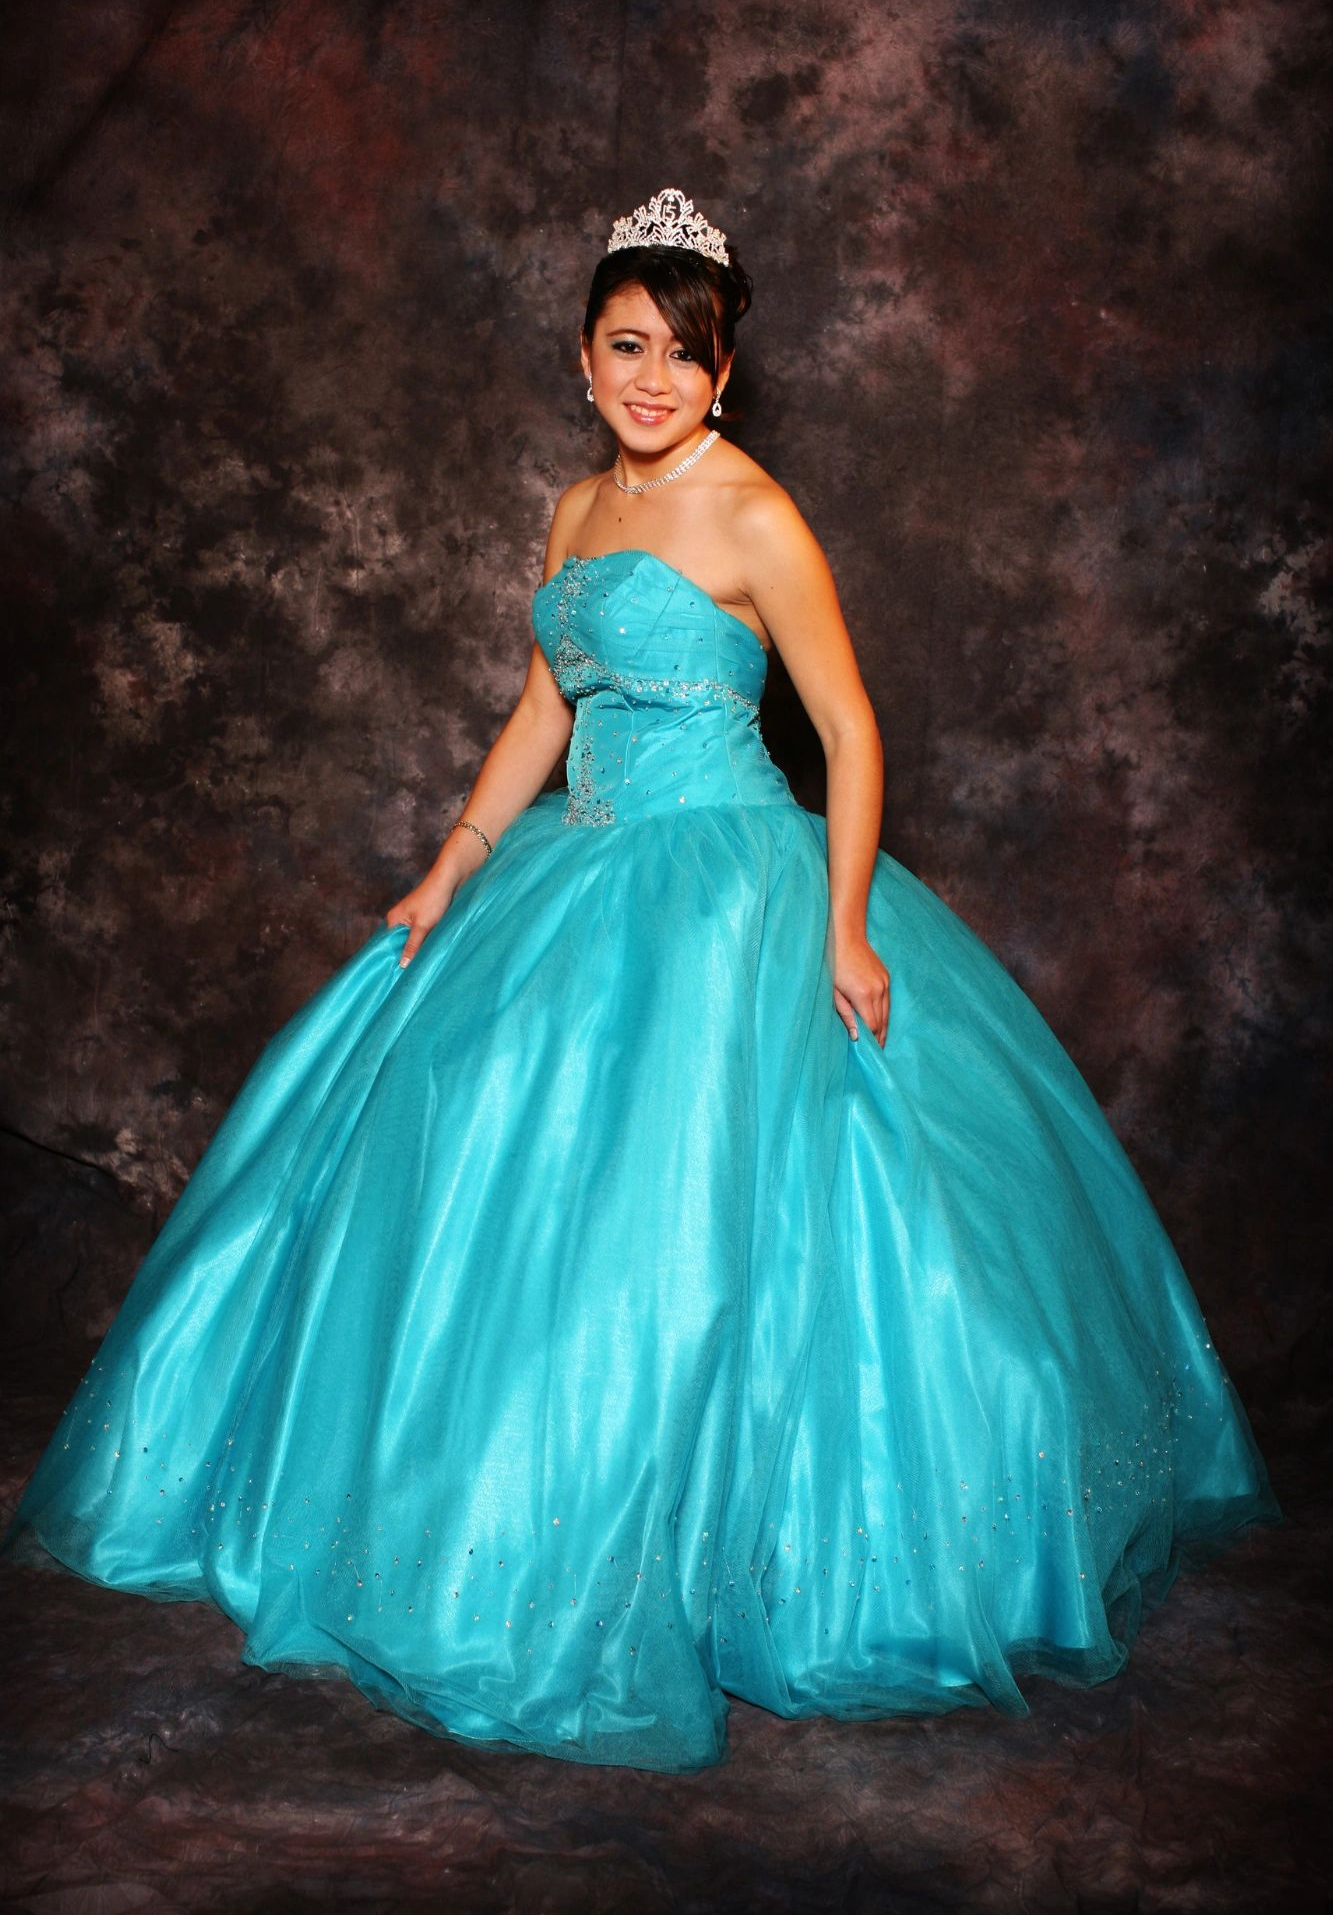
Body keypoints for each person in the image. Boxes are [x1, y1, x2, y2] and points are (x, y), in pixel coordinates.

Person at [1, 189, 1279, 1773]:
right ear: (585, 360)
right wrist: (456, 859)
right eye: (628, 348)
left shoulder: (752, 515)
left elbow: (854, 728)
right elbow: (546, 707)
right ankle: (461, 1520)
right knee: (475, 1163)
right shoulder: (572, 511)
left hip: (731, 884)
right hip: (573, 871)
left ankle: (723, 1561)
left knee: (718, 1229)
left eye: (687, 351)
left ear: (726, 371)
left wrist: (845, 928)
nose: (656, 377)